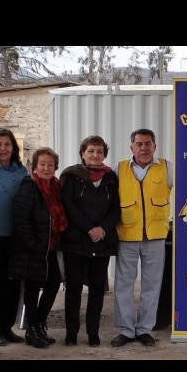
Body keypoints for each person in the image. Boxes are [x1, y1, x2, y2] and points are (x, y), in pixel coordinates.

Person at [111, 128, 173, 347]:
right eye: (139, 144)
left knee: (151, 286)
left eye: (148, 144)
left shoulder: (167, 168)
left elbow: (186, 190)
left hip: (156, 237)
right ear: (132, 148)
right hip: (127, 235)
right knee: (123, 286)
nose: (144, 148)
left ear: (154, 147)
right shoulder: (118, 169)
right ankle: (126, 331)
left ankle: (145, 329)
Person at [59, 136, 120, 347]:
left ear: (104, 154)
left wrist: (102, 229)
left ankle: (93, 333)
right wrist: (89, 228)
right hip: (76, 241)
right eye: (91, 150)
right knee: (74, 289)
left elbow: (116, 208)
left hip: (102, 242)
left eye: (100, 151)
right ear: (82, 153)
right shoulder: (72, 176)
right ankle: (71, 333)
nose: (95, 155)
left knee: (97, 289)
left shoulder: (111, 177)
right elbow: (69, 205)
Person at [9, 147, 67, 348]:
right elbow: (20, 218)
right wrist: (33, 243)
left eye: (50, 164)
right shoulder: (30, 187)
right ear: (35, 166)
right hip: (32, 249)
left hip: (50, 248)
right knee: (32, 290)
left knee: (53, 285)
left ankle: (39, 324)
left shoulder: (56, 187)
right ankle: (32, 331)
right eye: (42, 164)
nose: (46, 168)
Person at [0, 129, 28, 346]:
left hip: (16, 236)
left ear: (13, 147)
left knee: (12, 284)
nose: (3, 148)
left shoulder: (22, 172)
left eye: (7, 144)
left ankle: (7, 326)